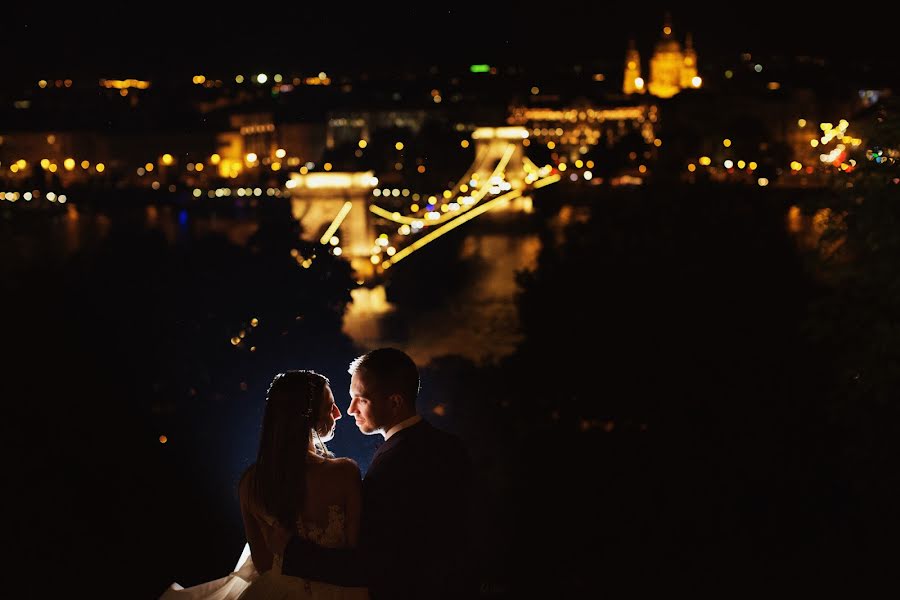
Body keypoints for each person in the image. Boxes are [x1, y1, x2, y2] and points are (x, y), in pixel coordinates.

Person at [279, 348, 475, 600]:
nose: (350, 410)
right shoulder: (451, 445)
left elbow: (375, 564)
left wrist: (292, 553)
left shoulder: (394, 465)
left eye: (361, 399)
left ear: (395, 402)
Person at [160, 370, 368, 600]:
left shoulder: (251, 483)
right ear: (307, 415)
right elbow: (357, 559)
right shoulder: (344, 472)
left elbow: (264, 565)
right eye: (330, 406)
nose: (338, 414)